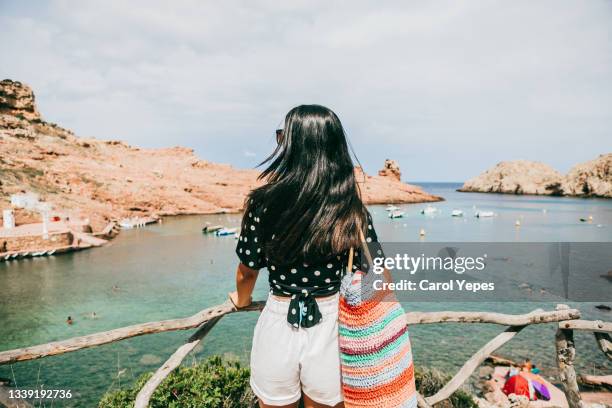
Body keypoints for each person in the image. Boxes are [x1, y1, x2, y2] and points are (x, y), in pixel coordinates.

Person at [230, 105, 380, 408]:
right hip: (332, 325)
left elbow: (248, 271)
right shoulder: (350, 208)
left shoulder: (263, 204)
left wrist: (242, 300)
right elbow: (377, 275)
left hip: (278, 320)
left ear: (292, 146)